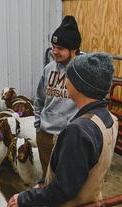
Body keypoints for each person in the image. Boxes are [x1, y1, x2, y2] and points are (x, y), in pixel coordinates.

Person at [6, 53, 118, 207]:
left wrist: (24, 197)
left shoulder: (78, 130)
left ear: (78, 84)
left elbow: (65, 188)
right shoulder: (107, 119)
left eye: (69, 75)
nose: (64, 78)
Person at [34, 15, 81, 178]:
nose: (54, 51)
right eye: (53, 46)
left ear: (74, 49)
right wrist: (38, 125)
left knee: (68, 180)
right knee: (47, 177)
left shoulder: (83, 71)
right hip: (46, 135)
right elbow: (39, 99)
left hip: (70, 138)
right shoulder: (48, 69)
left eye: (60, 48)